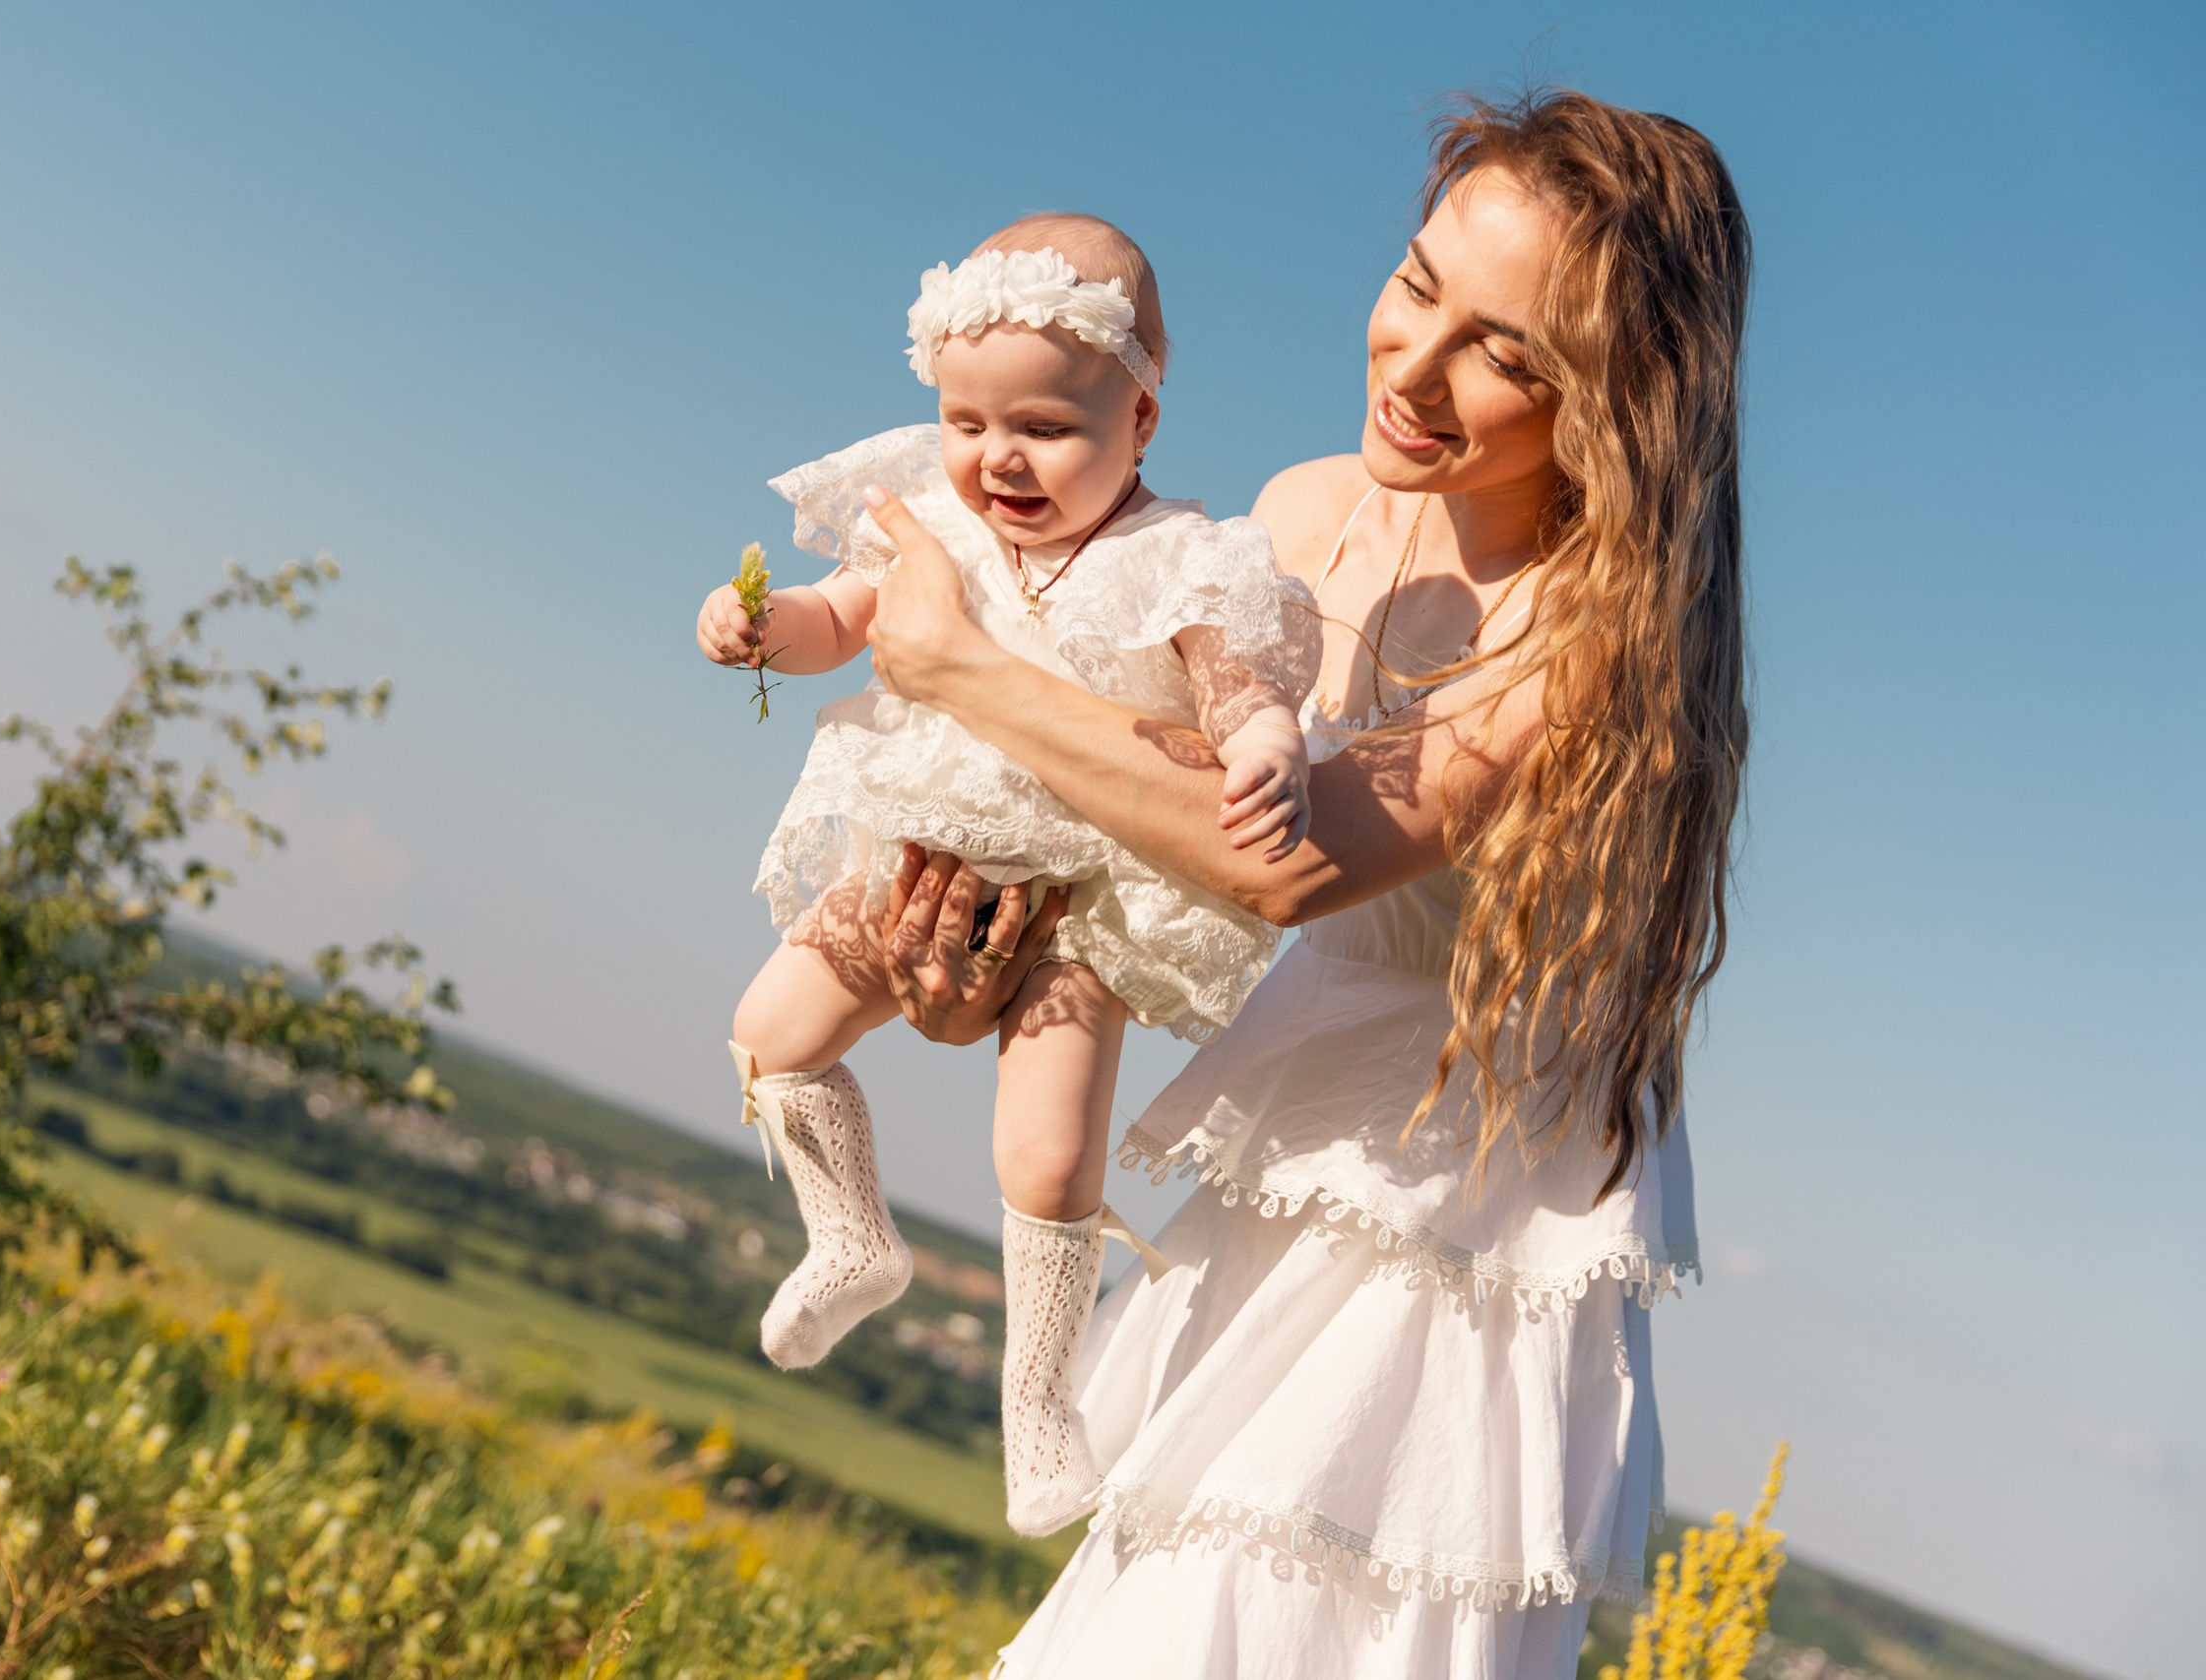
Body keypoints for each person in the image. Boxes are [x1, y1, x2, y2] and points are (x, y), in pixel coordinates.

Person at [861, 91, 1748, 1677]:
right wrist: (980, 970)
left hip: (1448, 1213)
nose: (1413, 369)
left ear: (1617, 402)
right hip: (1298, 1146)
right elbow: (1137, 834)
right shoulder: (1296, 517)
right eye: (1418, 287)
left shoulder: (1591, 624)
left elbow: (1287, 864)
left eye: (1506, 354)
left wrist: (958, 665)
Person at [694, 215, 1322, 1535]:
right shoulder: (929, 522)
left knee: (1044, 1155)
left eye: (1045, 426)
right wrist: (762, 626)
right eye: (969, 422)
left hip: (1081, 903)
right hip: (908, 849)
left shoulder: (1183, 557)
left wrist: (1266, 741)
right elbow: (836, 624)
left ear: (1141, 418)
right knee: (772, 1032)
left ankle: (1039, 1403)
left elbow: (1238, 683)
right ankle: (850, 1235)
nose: (1000, 459)